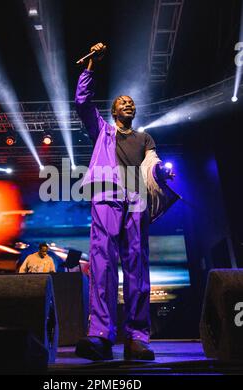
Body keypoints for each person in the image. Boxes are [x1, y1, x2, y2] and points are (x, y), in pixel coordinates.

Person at [74, 43, 179, 361]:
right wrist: (91, 65)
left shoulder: (145, 137)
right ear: (113, 111)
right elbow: (82, 102)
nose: (128, 104)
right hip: (107, 196)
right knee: (102, 263)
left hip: (136, 200)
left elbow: (153, 163)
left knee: (136, 266)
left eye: (131, 102)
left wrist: (163, 171)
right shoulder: (101, 131)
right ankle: (101, 336)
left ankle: (136, 337)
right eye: (122, 102)